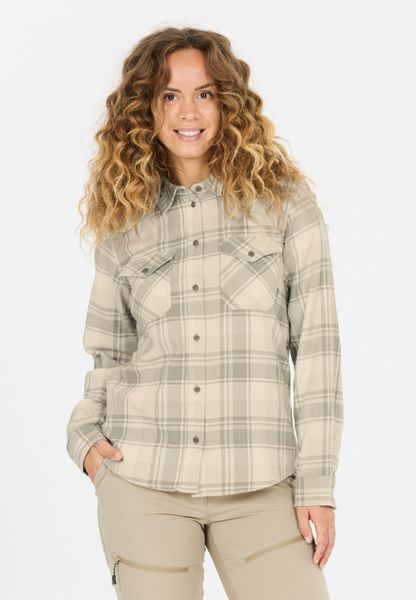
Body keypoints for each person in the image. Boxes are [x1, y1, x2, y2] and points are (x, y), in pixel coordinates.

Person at [66, 26, 344, 600]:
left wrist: (317, 482)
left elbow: (317, 347)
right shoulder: (124, 218)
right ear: (145, 108)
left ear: (229, 104)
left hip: (261, 481)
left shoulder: (284, 203)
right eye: (169, 95)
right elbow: (110, 353)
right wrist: (88, 444)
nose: (187, 112)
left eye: (205, 94)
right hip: (143, 479)